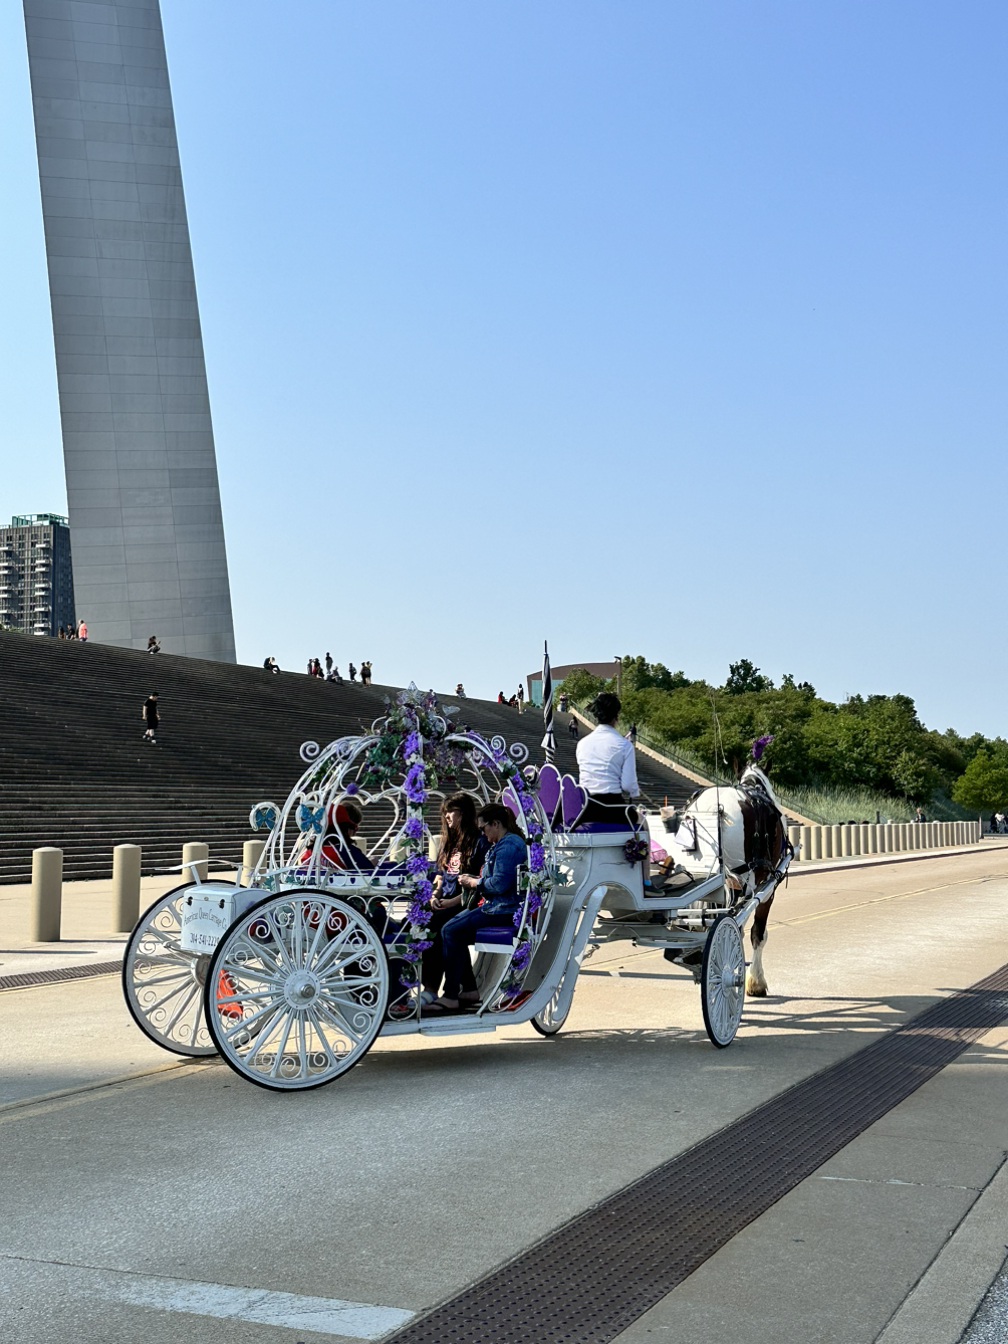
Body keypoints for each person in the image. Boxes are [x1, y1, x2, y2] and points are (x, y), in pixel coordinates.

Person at [430, 803, 528, 1011]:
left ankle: (452, 995)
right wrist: (474, 880)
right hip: (497, 907)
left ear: (496, 824)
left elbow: (499, 884)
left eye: (484, 828)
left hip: (503, 910)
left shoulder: (509, 846)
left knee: (450, 931)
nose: (483, 833)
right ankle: (467, 990)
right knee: (450, 931)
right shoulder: (501, 844)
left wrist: (473, 882)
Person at [420, 794, 489, 1004]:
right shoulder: (449, 843)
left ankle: (432, 988)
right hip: (446, 902)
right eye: (445, 812)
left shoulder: (480, 843)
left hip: (467, 904)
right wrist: (435, 895)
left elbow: (481, 884)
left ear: (464, 813)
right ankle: (468, 988)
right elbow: (441, 877)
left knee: (439, 926)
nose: (447, 816)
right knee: (419, 922)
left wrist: (451, 903)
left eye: (451, 811)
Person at [575, 692, 639, 824]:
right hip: (612, 808)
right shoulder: (625, 745)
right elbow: (628, 785)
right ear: (617, 716)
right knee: (642, 822)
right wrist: (634, 791)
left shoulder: (582, 744)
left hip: (586, 809)